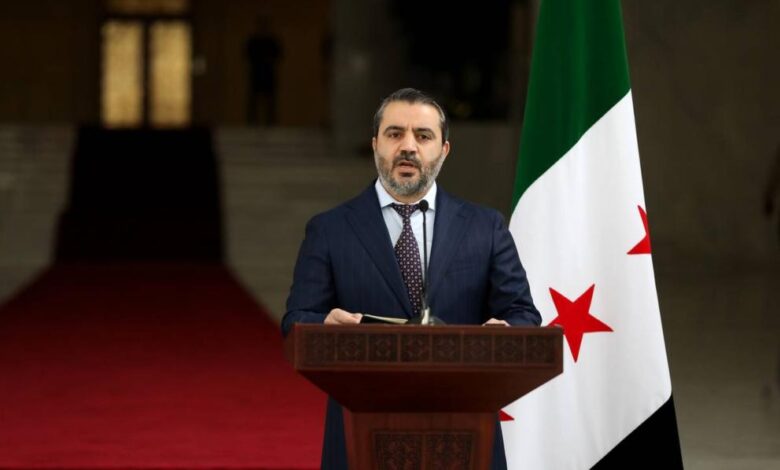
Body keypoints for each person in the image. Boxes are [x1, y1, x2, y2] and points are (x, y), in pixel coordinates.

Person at [281, 88, 540, 469]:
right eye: (394, 133)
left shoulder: (485, 227)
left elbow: (523, 315)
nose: (408, 146)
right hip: (361, 434)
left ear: (444, 150)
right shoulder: (329, 229)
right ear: (375, 144)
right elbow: (295, 321)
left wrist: (504, 334)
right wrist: (323, 326)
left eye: (423, 135)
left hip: (464, 433)